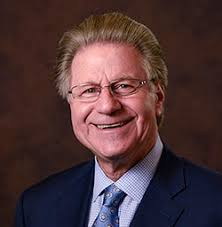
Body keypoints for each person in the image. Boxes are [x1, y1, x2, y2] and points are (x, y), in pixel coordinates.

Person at [15, 12, 222, 227]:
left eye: (124, 86)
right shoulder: (36, 209)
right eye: (89, 90)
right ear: (71, 103)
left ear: (158, 98)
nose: (107, 106)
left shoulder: (216, 205)